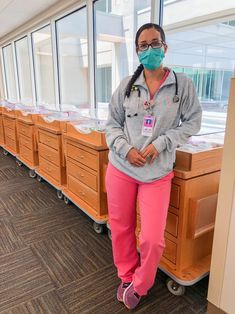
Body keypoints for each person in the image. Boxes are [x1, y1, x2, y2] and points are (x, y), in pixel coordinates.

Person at [105, 23, 202, 310]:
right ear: (137, 51)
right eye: (143, 45)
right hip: (122, 168)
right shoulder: (126, 85)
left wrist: (161, 143)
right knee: (122, 228)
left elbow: (193, 122)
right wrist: (126, 149)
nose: (150, 49)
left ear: (165, 47)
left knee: (151, 238)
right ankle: (125, 275)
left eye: (155, 43)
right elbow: (111, 125)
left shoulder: (182, 85)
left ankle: (141, 283)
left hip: (157, 173)